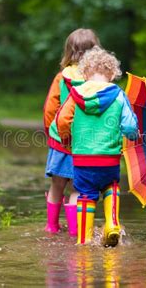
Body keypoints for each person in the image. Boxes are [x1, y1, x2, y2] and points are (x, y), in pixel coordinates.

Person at [56, 46, 138, 246]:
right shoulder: (118, 94)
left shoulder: (76, 94)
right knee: (111, 186)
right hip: (109, 158)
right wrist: (132, 135)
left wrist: (67, 139)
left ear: (84, 73)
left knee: (86, 195)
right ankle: (112, 223)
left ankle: (84, 239)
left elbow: (62, 121)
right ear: (112, 74)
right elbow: (129, 126)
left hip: (83, 159)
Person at [43, 28, 101, 236]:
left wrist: (52, 132)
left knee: (57, 185)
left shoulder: (61, 78)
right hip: (85, 144)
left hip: (61, 141)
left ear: (68, 52)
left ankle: (52, 226)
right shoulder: (97, 82)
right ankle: (75, 232)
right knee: (78, 188)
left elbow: (50, 108)